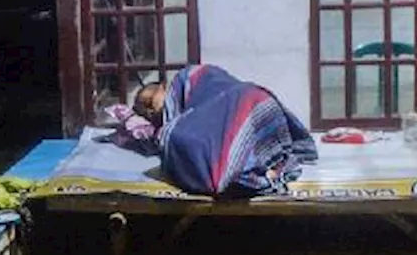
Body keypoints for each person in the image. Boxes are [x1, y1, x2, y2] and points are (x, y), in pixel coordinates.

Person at [130, 65, 317, 198]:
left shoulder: (188, 78)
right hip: (251, 109)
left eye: (149, 101)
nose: (150, 111)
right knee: (184, 139)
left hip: (250, 101)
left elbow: (218, 86)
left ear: (163, 87)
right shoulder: (179, 122)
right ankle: (255, 166)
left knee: (180, 138)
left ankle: (249, 167)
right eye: (144, 112)